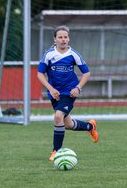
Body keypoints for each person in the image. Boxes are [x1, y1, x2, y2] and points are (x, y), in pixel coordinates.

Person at [37, 25, 99, 161]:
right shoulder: (49, 54)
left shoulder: (74, 54)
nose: (63, 40)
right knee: (67, 124)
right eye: (60, 37)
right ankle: (90, 126)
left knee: (58, 117)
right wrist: (51, 89)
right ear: (55, 39)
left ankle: (56, 151)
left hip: (69, 93)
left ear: (68, 39)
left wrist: (77, 88)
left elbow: (86, 73)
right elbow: (40, 74)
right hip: (55, 93)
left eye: (65, 37)